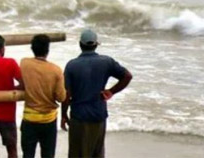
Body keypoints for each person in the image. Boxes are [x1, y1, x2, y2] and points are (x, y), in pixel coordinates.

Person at [61, 30, 133, 158]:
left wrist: (63, 115)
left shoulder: (72, 65)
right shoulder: (106, 62)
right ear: (95, 45)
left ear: (80, 45)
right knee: (97, 153)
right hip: (99, 115)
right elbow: (127, 76)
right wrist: (111, 91)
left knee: (78, 153)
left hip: (79, 117)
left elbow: (66, 94)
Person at [20, 35, 66, 158]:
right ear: (48, 50)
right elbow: (61, 97)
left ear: (32, 48)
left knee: (28, 155)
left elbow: (22, 83)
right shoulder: (56, 70)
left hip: (29, 118)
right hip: (48, 120)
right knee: (48, 155)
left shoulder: (24, 63)